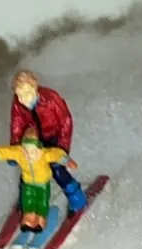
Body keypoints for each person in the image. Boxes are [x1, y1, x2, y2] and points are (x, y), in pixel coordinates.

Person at [7, 70, 87, 214]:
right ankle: (26, 199)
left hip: (53, 138)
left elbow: (65, 122)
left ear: (34, 88)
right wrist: (15, 147)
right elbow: (16, 125)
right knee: (28, 168)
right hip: (33, 140)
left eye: (26, 94)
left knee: (57, 170)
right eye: (19, 95)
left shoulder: (51, 99)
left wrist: (62, 148)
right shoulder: (18, 104)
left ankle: (77, 198)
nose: (23, 99)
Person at [0, 131, 78, 234]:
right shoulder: (19, 153)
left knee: (42, 201)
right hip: (28, 183)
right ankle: (28, 218)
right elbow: (6, 152)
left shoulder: (44, 154)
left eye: (32, 151)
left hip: (43, 184)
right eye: (26, 151)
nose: (29, 155)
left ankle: (40, 219)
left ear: (38, 148)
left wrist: (67, 160)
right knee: (28, 200)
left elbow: (56, 154)